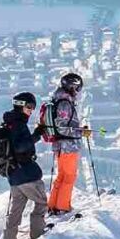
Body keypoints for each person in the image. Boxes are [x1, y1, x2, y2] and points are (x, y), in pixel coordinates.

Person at [0, 93, 47, 239]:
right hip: (26, 173)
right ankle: (37, 236)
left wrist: (34, 135)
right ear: (20, 105)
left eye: (33, 107)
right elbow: (20, 147)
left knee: (15, 210)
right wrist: (36, 135)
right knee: (41, 203)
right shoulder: (18, 124)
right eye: (29, 107)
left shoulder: (10, 122)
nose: (31, 110)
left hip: (14, 175)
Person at [42, 70, 91, 217]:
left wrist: (78, 130)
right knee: (69, 176)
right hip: (68, 146)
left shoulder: (59, 100)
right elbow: (62, 127)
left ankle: (54, 205)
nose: (78, 92)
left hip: (60, 145)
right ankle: (63, 207)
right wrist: (80, 132)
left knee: (62, 176)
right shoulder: (64, 103)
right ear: (72, 87)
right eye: (77, 88)